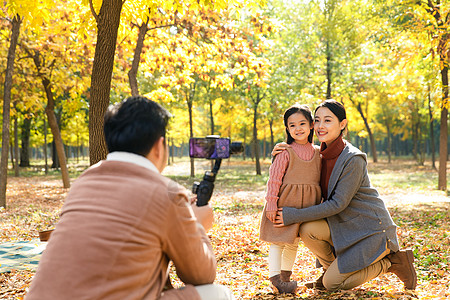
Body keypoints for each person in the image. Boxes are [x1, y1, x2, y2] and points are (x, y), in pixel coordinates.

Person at [26, 96, 234, 300]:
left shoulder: (83, 182)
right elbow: (201, 275)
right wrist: (198, 225)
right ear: (159, 146)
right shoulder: (167, 193)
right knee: (218, 294)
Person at [271, 99, 417, 291]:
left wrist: (293, 214)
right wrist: (280, 153)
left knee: (332, 284)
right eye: (317, 120)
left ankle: (392, 262)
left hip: (369, 230)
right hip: (343, 226)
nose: (321, 126)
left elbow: (337, 204)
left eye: (328, 120)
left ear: (342, 124)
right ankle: (330, 268)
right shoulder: (318, 154)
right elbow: (293, 167)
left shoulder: (353, 159)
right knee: (307, 229)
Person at [259, 104, 322, 294]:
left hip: (305, 207)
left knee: (293, 242)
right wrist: (271, 204)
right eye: (292, 125)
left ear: (311, 125)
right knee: (278, 241)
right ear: (287, 128)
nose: (298, 128)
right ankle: (275, 278)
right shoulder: (285, 152)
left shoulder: (319, 152)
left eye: (302, 123)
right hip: (284, 204)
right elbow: (274, 180)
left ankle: (285, 277)